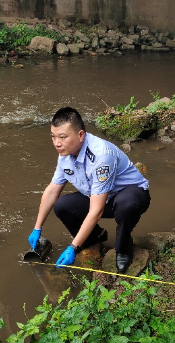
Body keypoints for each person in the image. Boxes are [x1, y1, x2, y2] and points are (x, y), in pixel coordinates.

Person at [28, 107, 151, 272]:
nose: (57, 143)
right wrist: (37, 228)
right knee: (62, 205)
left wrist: (73, 247)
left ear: (80, 135)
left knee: (126, 205)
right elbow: (52, 191)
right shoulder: (65, 153)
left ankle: (123, 247)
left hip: (130, 195)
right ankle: (95, 238)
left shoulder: (101, 155)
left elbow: (96, 210)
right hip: (100, 197)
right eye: (53, 136)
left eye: (62, 137)